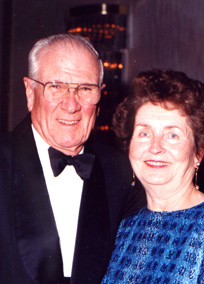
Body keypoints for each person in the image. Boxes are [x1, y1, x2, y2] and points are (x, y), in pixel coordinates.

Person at [0, 33, 145, 284]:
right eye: (55, 87)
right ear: (29, 92)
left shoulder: (122, 171)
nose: (71, 105)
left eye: (85, 89)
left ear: (100, 97)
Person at [101, 69, 204, 283]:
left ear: (198, 151)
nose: (155, 147)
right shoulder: (126, 229)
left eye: (172, 135)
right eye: (144, 133)